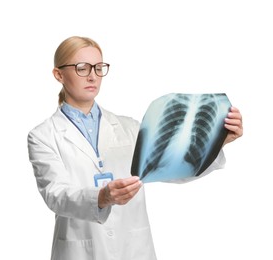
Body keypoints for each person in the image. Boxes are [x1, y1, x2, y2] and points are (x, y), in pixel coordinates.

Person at [27, 36, 243, 260]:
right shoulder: (42, 136)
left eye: (99, 67)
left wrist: (218, 141)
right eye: (82, 68)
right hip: (79, 251)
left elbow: (174, 169)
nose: (92, 76)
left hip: (133, 249)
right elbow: (56, 195)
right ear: (58, 75)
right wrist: (101, 197)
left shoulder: (130, 128)